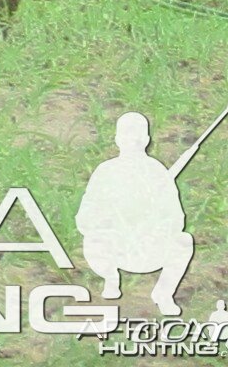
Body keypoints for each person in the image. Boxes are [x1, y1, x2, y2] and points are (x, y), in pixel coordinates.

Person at [75, 112, 196, 316]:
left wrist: (154, 225)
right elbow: (85, 216)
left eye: (138, 136)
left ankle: (164, 293)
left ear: (147, 140)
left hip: (150, 248)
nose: (133, 141)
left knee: (183, 241)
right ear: (117, 139)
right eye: (128, 136)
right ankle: (111, 278)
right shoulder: (106, 171)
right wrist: (110, 223)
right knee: (93, 240)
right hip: (115, 248)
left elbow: (176, 219)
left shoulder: (157, 172)